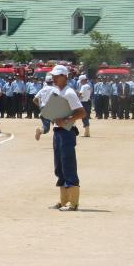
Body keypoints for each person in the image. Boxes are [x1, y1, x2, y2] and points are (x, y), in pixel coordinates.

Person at [43, 65, 86, 212]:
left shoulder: (69, 93)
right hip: (57, 131)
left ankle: (73, 202)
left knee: (68, 165)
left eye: (57, 76)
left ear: (64, 76)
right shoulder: (56, 91)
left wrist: (67, 120)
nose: (54, 78)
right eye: (53, 76)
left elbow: (81, 113)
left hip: (67, 132)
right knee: (59, 167)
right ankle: (63, 200)